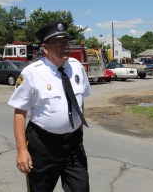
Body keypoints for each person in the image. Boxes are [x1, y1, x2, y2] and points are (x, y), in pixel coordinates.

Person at [8, 21, 92, 192]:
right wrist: (22, 150)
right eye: (59, 43)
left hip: (74, 144)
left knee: (81, 189)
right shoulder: (32, 73)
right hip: (43, 146)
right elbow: (20, 113)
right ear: (45, 48)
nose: (65, 46)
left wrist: (79, 131)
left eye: (66, 42)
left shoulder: (76, 67)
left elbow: (80, 100)